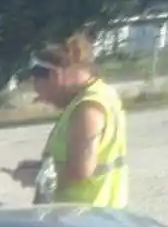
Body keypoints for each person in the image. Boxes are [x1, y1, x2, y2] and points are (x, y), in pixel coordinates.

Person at [8, 34, 129, 207]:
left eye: (42, 93)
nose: (42, 100)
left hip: (82, 219)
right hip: (96, 217)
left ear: (54, 76)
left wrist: (37, 175)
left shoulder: (87, 109)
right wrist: (39, 166)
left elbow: (80, 170)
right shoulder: (101, 94)